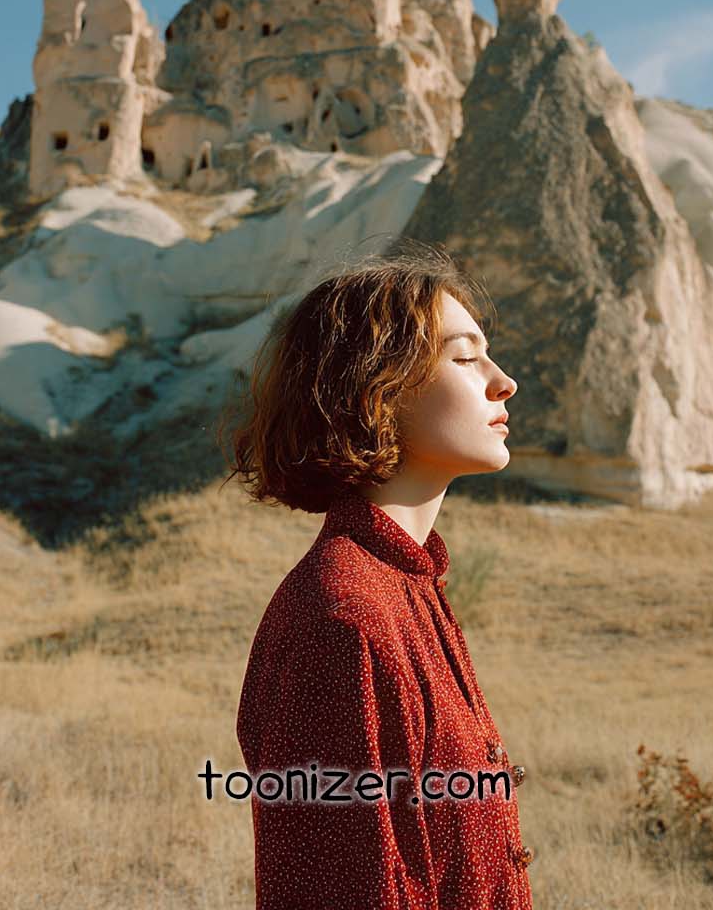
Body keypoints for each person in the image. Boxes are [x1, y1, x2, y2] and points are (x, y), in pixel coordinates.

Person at [225, 242, 535, 909]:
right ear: (376, 387)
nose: (502, 379)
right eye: (463, 356)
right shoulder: (342, 621)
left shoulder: (406, 585)